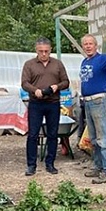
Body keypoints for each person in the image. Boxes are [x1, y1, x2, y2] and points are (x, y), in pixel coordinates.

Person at [21, 37, 70, 176]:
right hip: (36, 103)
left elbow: (66, 82)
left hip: (53, 103)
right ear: (36, 50)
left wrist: (57, 86)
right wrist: (35, 90)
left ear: (50, 50)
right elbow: (24, 83)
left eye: (46, 51)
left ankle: (50, 163)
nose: (43, 54)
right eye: (41, 51)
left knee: (52, 134)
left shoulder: (57, 64)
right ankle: (31, 165)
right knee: (33, 134)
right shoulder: (29, 64)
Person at [79, 33, 106, 184]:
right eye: (85, 44)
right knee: (94, 138)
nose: (88, 46)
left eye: (90, 43)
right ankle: (97, 166)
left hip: (98, 101)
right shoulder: (85, 61)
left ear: (96, 46)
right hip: (87, 102)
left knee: (103, 138)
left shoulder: (102, 59)